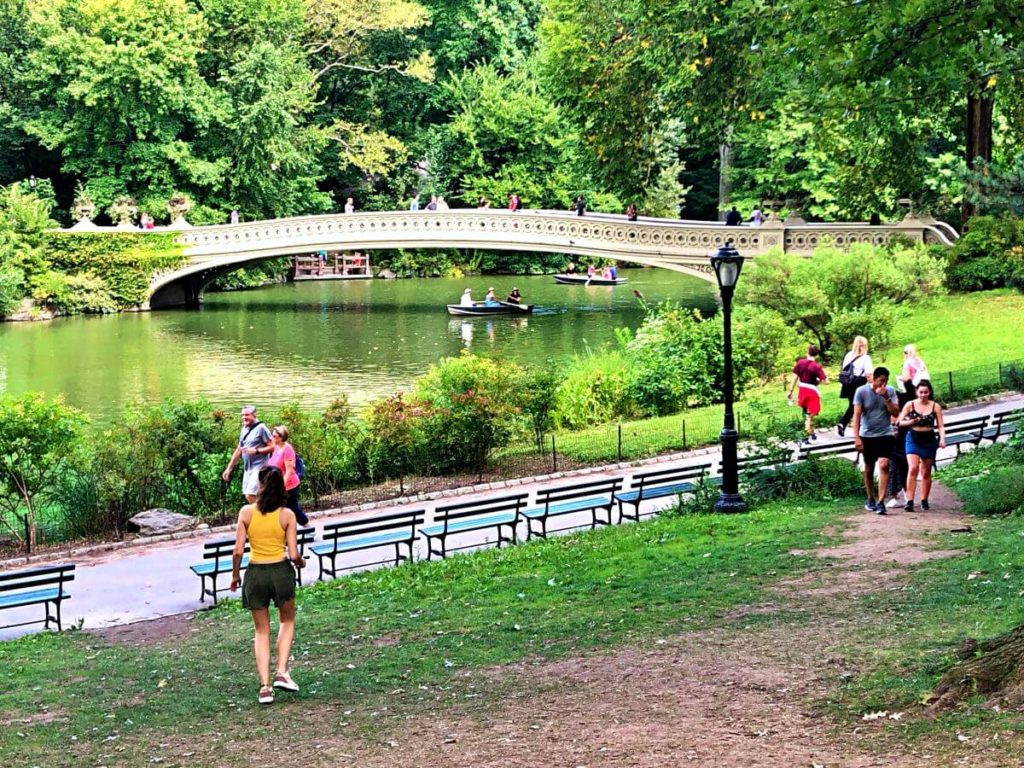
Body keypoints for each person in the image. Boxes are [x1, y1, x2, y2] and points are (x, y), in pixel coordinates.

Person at [229, 466, 304, 705]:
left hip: (256, 574)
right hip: (281, 572)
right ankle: (282, 671)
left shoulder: (246, 512)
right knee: (287, 620)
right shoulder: (287, 515)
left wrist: (235, 575)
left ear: (259, 486)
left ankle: (265, 687)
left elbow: (238, 550)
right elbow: (293, 554)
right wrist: (301, 562)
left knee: (261, 630)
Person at [852, 367, 901, 514]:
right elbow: (857, 415)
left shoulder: (890, 391)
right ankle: (870, 498)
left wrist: (886, 398)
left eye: (885, 381)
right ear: (874, 378)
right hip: (867, 435)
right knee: (868, 468)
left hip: (885, 433)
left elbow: (896, 412)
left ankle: (881, 502)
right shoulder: (861, 391)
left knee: (884, 464)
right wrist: (856, 437)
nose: (883, 385)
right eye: (881, 381)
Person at [898, 380, 946, 511]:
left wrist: (942, 438)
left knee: (926, 471)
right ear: (916, 392)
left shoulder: (935, 406)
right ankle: (910, 500)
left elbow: (941, 425)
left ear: (929, 392)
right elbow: (899, 422)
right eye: (921, 392)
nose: (923, 395)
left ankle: (924, 499)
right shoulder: (910, 404)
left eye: (926, 392)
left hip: (929, 439)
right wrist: (912, 421)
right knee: (913, 468)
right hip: (913, 438)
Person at [222, 406, 273, 503]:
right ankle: (264, 514)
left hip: (260, 467)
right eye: (242, 415)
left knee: (250, 495)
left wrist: (256, 451)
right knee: (248, 495)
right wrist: (229, 468)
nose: (244, 417)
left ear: (254, 415)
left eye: (247, 415)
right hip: (248, 468)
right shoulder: (244, 429)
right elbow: (239, 450)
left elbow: (272, 447)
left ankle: (261, 516)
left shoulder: (261, 428)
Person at [267, 425, 307, 526]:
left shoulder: (287, 450)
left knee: (292, 507)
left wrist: (282, 487)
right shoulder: (277, 448)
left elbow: (289, 470)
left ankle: (306, 525)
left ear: (280, 437)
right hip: (276, 485)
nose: (271, 437)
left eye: (274, 436)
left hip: (289, 485)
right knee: (278, 508)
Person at [787, 345, 828, 443]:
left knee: (805, 411)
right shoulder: (817, 366)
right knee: (811, 413)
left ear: (807, 352)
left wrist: (790, 391)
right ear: (816, 355)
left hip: (803, 390)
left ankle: (809, 432)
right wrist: (817, 381)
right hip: (812, 391)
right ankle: (807, 434)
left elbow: (794, 378)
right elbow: (826, 381)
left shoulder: (800, 363)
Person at [837, 335, 873, 436]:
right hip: (859, 383)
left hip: (848, 383)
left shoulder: (848, 355)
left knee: (853, 405)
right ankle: (858, 427)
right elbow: (869, 374)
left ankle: (844, 423)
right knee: (858, 406)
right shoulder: (866, 358)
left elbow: (845, 368)